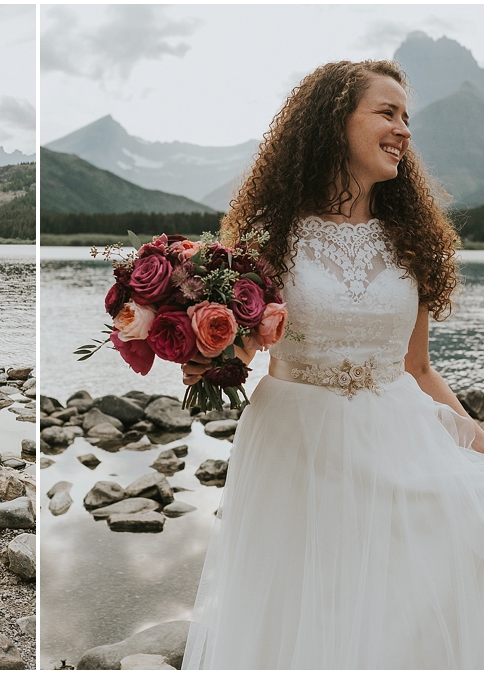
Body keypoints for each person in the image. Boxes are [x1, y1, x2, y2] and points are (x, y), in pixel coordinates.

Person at [179, 61, 483, 669]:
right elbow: (235, 347)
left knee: (413, 597)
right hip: (298, 443)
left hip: (396, 431)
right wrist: (202, 357)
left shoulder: (414, 239)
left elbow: (418, 368)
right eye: (387, 113)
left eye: (407, 118)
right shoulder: (271, 237)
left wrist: (474, 433)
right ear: (334, 122)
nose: (403, 131)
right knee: (301, 614)